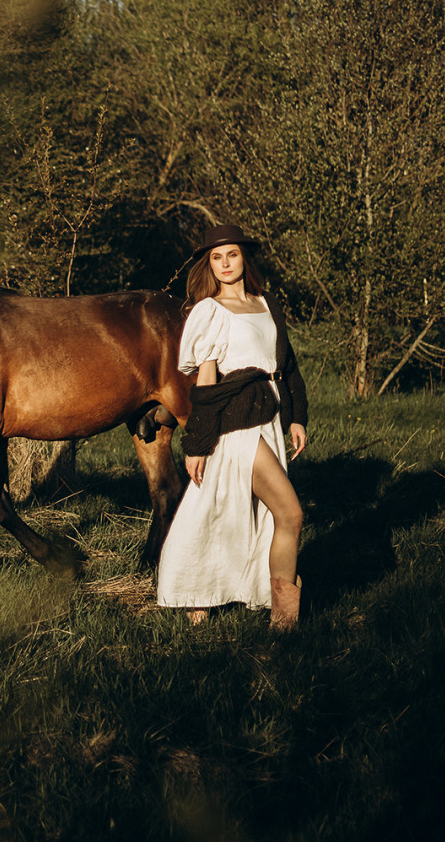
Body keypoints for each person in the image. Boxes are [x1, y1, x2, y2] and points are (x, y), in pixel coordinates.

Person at [156, 224, 309, 630]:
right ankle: (284, 623)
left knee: (227, 512)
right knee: (290, 513)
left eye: (232, 255)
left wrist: (297, 417)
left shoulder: (266, 304)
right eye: (216, 258)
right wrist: (196, 444)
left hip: (273, 418)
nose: (225, 264)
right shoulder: (210, 311)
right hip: (237, 425)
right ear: (209, 265)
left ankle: (206, 593)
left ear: (245, 258)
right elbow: (206, 386)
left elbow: (286, 366)